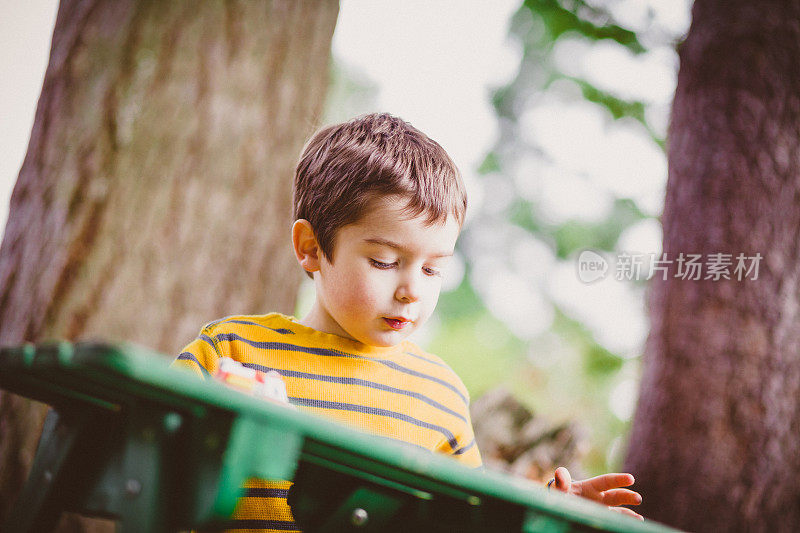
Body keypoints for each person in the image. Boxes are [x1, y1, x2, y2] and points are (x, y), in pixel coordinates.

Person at [173, 113, 642, 531]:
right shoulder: (233, 352)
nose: (412, 290)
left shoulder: (439, 397)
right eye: (382, 261)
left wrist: (542, 513)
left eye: (433, 269)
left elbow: (467, 520)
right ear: (312, 248)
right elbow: (136, 455)